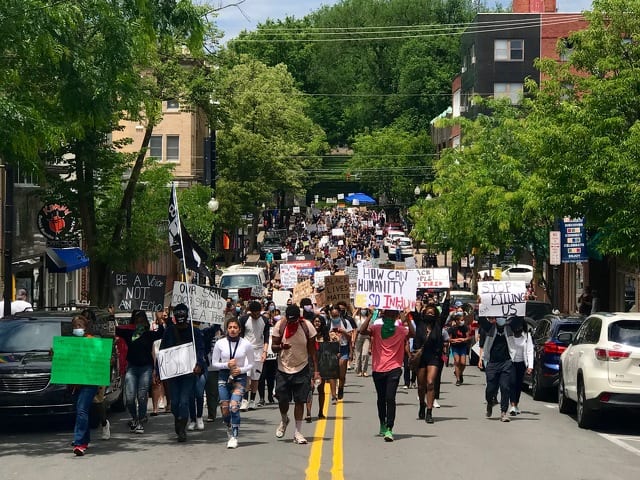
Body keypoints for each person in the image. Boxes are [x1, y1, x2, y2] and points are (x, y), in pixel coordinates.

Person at [359, 308, 415, 442]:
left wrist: (407, 317)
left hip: (394, 368)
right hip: (378, 369)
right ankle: (382, 423)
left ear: (396, 316)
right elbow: (362, 331)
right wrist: (371, 315)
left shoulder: (401, 330)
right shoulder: (377, 328)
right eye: (386, 313)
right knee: (381, 398)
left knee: (390, 398)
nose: (388, 315)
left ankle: (389, 428)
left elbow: (413, 333)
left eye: (392, 313)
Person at [271, 304, 319, 445]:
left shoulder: (307, 327)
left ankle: (298, 432)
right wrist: (281, 347)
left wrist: (316, 371)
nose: (291, 322)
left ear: (299, 318)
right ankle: (284, 418)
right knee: (283, 400)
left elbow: (312, 350)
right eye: (289, 320)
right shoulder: (280, 325)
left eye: (294, 320)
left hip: (302, 367)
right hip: (283, 368)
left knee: (300, 401)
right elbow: (274, 347)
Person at [159, 303, 207, 442]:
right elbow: (162, 351)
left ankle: (182, 428)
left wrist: (199, 364)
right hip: (173, 374)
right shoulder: (169, 332)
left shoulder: (194, 332)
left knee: (184, 401)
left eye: (182, 314)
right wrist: (158, 370)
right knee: (174, 403)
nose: (180, 317)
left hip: (189, 373)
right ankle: (178, 419)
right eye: (177, 314)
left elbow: (200, 349)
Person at [116, 310, 164, 434]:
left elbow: (161, 333)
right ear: (133, 322)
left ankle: (140, 421)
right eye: (137, 321)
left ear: (145, 322)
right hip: (132, 368)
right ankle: (134, 417)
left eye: (142, 320)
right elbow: (114, 330)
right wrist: (111, 316)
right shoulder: (129, 333)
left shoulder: (149, 334)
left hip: (145, 368)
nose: (139, 323)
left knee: (142, 395)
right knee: (130, 397)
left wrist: (159, 319)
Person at [211, 318, 254, 449]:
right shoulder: (220, 343)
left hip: (239, 376)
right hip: (224, 376)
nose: (233, 330)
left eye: (235, 327)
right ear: (226, 329)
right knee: (225, 408)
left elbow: (252, 363)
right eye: (230, 327)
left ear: (240, 330)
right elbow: (214, 363)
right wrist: (226, 364)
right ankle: (228, 426)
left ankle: (235, 436)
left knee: (234, 406)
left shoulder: (246, 344)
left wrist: (241, 369)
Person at [66, 314, 99, 456]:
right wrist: (56, 353)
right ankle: (84, 439)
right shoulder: (68, 343)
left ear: (85, 328)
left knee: (81, 410)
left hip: (89, 381)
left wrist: (106, 361)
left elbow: (100, 358)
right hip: (74, 383)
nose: (76, 328)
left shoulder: (92, 341)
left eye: (79, 326)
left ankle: (79, 443)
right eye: (74, 326)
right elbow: (65, 359)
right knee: (80, 410)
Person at [478, 316, 517, 422]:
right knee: (490, 388)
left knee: (505, 387)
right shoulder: (490, 327)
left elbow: (519, 319)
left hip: (506, 362)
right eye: (499, 317)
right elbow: (481, 319)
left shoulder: (510, 328)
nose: (501, 319)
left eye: (503, 317)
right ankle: (489, 403)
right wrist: (481, 306)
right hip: (492, 363)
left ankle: (504, 412)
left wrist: (524, 303)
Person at [239, 301, 270, 411]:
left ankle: (252, 400)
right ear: (250, 312)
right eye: (254, 314)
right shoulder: (243, 319)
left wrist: (264, 352)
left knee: (255, 377)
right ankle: (245, 400)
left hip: (259, 351)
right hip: (246, 351)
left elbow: (266, 338)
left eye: (258, 313)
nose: (256, 315)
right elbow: (240, 336)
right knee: (246, 376)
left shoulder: (265, 321)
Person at [327, 306, 353, 400]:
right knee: (332, 373)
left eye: (336, 315)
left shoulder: (346, 323)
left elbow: (350, 338)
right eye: (333, 316)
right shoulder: (328, 323)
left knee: (341, 374)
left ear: (339, 314)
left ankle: (341, 387)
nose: (335, 317)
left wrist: (343, 332)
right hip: (332, 349)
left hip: (343, 348)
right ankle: (333, 395)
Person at [509, 319, 533, 416]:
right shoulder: (509, 336)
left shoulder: (527, 336)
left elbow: (530, 351)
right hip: (511, 362)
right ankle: (512, 405)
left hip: (521, 363)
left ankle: (516, 404)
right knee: (512, 382)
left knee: (518, 385)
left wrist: (530, 366)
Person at [203, 322, 223, 422]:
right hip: (207, 364)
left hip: (221, 365)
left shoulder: (224, 326)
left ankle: (217, 413)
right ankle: (208, 414)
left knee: (216, 390)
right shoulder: (202, 327)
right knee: (208, 391)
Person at [448, 305, 470, 386]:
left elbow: (468, 337)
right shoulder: (452, 329)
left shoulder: (465, 328)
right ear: (457, 321)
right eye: (461, 320)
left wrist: (464, 339)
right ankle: (458, 379)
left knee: (463, 363)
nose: (462, 322)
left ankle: (460, 373)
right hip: (455, 347)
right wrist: (456, 340)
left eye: (463, 320)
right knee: (457, 362)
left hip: (463, 347)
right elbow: (449, 339)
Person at [353, 308, 371, 377]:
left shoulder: (368, 318)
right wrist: (358, 309)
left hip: (366, 336)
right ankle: (358, 370)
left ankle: (364, 370)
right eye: (362, 309)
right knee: (358, 354)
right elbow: (352, 317)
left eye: (365, 309)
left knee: (365, 354)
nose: (364, 310)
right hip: (358, 336)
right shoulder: (357, 318)